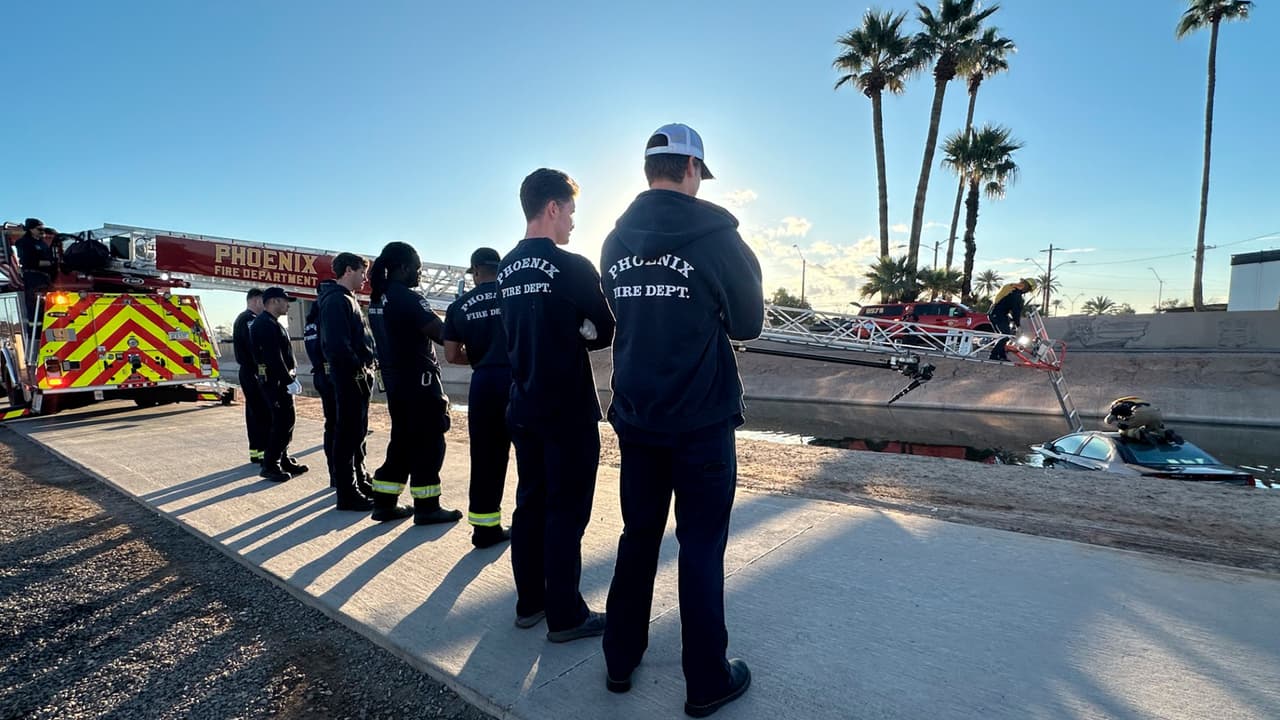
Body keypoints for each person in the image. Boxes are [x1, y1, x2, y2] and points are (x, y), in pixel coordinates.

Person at [598, 123, 761, 717]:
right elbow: (748, 324)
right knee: (699, 546)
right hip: (701, 421)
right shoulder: (719, 237)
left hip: (637, 417)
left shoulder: (613, 241)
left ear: (648, 172)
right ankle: (705, 680)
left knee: (638, 535)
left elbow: (620, 314)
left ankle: (620, 657)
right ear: (692, 169)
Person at [497, 168, 615, 643]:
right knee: (567, 510)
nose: (572, 222)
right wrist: (577, 330)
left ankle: (530, 602)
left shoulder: (504, 268)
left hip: (522, 402)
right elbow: (605, 329)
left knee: (530, 503)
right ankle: (566, 614)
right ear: (552, 207)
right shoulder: (572, 267)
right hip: (566, 407)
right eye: (570, 211)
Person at [365, 242, 463, 525]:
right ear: (403, 267)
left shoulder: (378, 299)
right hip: (420, 384)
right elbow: (441, 333)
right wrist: (463, 320)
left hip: (397, 384)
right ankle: (427, 506)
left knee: (403, 442)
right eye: (417, 269)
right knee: (430, 443)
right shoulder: (407, 298)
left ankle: (384, 501)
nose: (419, 275)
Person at [443, 247, 513, 548]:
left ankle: (485, 529)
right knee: (534, 454)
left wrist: (479, 356)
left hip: (484, 383)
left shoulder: (459, 306)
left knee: (486, 457)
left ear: (474, 271)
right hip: (520, 379)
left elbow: (451, 354)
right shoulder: (515, 295)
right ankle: (534, 524)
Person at [318, 253, 378, 511]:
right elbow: (337, 345)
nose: (365, 277)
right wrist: (356, 370)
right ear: (348, 271)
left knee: (358, 432)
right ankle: (347, 491)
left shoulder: (348, 299)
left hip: (357, 375)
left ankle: (360, 479)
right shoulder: (335, 302)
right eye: (362, 272)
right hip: (350, 377)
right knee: (347, 433)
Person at [250, 287, 308, 482]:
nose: (288, 305)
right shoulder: (265, 324)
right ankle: (270, 464)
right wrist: (287, 380)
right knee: (282, 423)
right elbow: (273, 357)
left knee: (287, 422)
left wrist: (291, 376)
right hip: (274, 382)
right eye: (285, 301)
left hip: (279, 380)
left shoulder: (272, 323)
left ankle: (282, 459)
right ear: (274, 301)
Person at [302, 288, 338, 488]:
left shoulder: (311, 322)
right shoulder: (327, 318)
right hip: (333, 377)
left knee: (331, 425)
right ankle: (340, 474)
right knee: (340, 427)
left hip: (320, 375)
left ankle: (334, 472)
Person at [233, 288, 271, 464]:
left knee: (254, 411)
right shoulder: (250, 320)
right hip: (253, 371)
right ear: (256, 301)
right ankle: (263, 451)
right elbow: (255, 348)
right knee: (261, 411)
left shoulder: (244, 318)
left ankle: (257, 451)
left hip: (249, 371)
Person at [15, 218, 56, 331]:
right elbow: (28, 262)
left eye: (43, 229)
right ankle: (36, 333)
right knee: (36, 307)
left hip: (45, 278)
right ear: (31, 229)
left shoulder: (42, 243)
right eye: (39, 229)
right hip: (33, 278)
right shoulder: (23, 243)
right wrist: (50, 263)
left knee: (49, 306)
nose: (42, 231)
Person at [988, 278, 1035, 361]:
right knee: (1006, 335)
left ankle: (1002, 355)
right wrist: (1018, 325)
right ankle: (993, 355)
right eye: (1028, 290)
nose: (1027, 292)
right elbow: (1016, 311)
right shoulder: (1016, 295)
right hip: (998, 314)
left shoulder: (1010, 287)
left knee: (1003, 336)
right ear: (1026, 287)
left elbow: (1003, 302)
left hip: (994, 313)